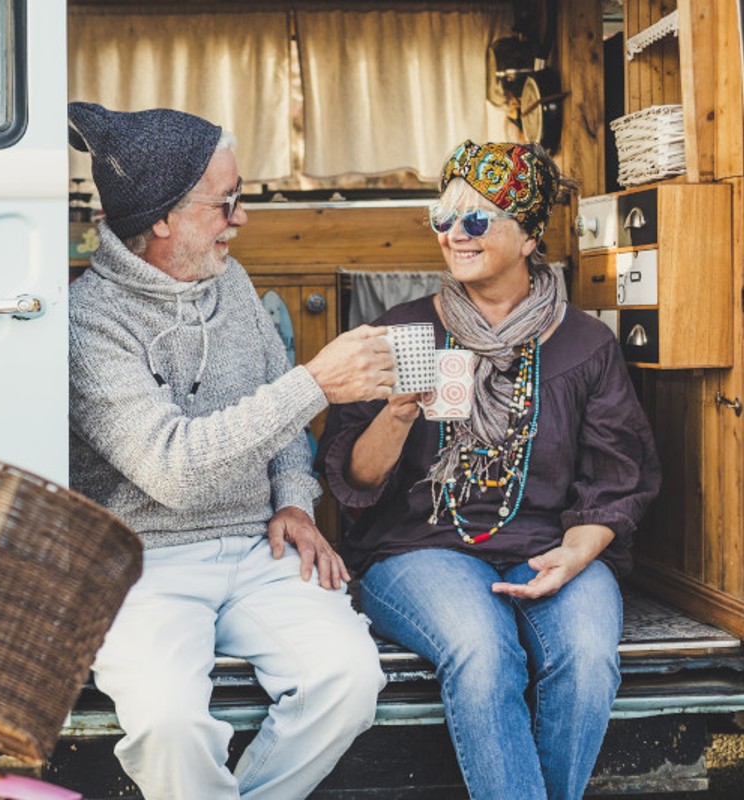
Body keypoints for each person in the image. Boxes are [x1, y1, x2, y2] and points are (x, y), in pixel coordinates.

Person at [66, 102, 394, 800]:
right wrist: (316, 384)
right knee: (168, 725)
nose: (241, 218)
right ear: (160, 218)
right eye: (227, 202)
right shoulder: (87, 323)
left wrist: (296, 503)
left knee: (351, 681)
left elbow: (280, 425)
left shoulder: (233, 284)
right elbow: (175, 470)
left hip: (256, 550)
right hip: (139, 563)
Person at [316, 140, 661, 800]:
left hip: (550, 549)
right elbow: (354, 485)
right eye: (443, 218)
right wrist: (395, 415)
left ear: (530, 234)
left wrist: (576, 551)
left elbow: (618, 478)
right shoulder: (404, 332)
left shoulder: (586, 345)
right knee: (483, 651)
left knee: (588, 659)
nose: (454, 235)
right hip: (419, 550)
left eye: (476, 220)